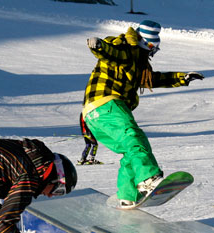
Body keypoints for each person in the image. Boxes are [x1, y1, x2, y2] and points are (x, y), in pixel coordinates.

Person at [82, 20, 205, 208]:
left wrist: (182, 78)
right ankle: (148, 179)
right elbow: (110, 52)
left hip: (96, 114)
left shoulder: (136, 63)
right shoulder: (124, 48)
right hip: (106, 103)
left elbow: (152, 79)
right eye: (152, 49)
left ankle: (127, 194)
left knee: (134, 148)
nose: (151, 54)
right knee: (134, 139)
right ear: (145, 44)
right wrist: (98, 45)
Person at [0, 138, 77, 232]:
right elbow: (4, 222)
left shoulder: (29, 157)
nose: (51, 195)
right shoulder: (30, 176)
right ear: (53, 178)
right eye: (58, 191)